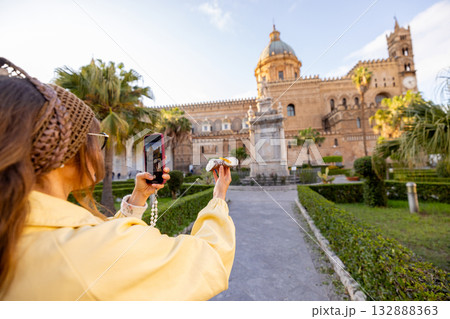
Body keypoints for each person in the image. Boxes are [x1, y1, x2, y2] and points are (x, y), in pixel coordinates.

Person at [0, 58, 235, 301]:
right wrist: (218, 196)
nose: (100, 150)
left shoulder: (17, 224)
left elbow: (101, 238)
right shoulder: (92, 253)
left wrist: (138, 198)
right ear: (60, 153)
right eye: (97, 138)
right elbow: (210, 260)